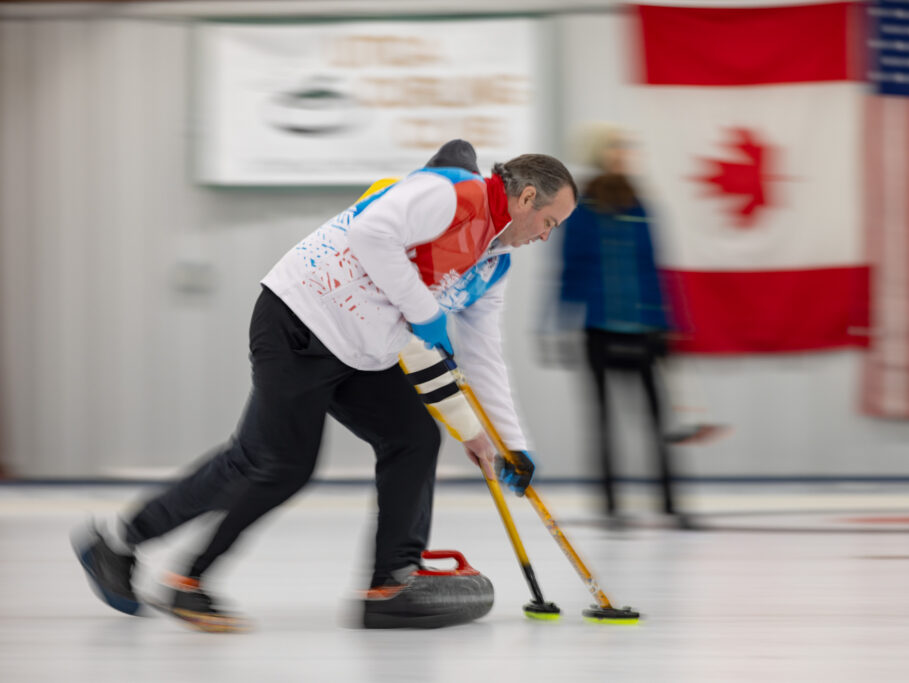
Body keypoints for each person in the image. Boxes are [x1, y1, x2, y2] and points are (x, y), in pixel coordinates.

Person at [72, 140, 578, 631]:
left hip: (364, 351)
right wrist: (425, 314)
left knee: (413, 438)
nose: (544, 236)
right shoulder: (452, 195)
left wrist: (508, 444)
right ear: (527, 197)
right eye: (550, 223)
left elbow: (484, 356)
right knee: (277, 464)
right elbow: (370, 233)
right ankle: (179, 573)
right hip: (300, 320)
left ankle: (391, 582)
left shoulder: (494, 264)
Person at [558, 123, 722, 528]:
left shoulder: (640, 203)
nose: (623, 154)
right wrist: (559, 322)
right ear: (600, 153)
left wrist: (672, 324)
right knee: (604, 422)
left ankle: (670, 504)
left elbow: (656, 267)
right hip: (599, 327)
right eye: (616, 148)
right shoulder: (581, 208)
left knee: (657, 422)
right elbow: (570, 269)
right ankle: (611, 507)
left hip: (645, 327)